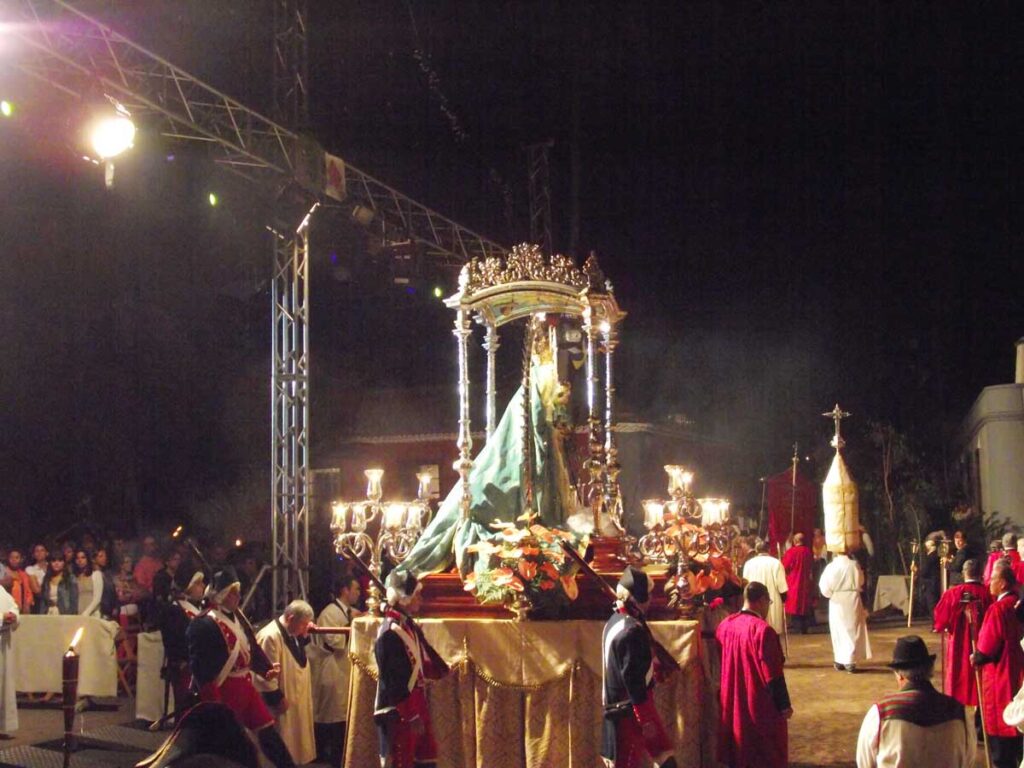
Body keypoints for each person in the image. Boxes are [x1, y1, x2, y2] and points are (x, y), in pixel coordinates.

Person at [186, 567, 295, 768]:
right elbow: (202, 668)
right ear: (222, 595)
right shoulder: (204, 624)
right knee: (238, 750)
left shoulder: (237, 618)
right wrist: (213, 704)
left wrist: (264, 669)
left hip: (246, 689)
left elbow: (247, 650)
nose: (238, 596)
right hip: (225, 693)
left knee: (269, 736)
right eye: (233, 592)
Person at [855, 634, 974, 767]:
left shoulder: (880, 713)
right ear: (930, 671)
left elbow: (864, 763)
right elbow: (968, 761)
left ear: (899, 675)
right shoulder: (958, 712)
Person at [600, 566, 677, 768]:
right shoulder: (632, 630)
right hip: (630, 715)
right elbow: (634, 682)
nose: (651, 599)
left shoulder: (615, 621)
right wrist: (647, 722)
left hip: (619, 711)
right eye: (649, 594)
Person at [375, 570, 450, 768]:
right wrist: (411, 714)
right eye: (416, 594)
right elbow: (393, 679)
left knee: (425, 757)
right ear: (404, 599)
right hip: (402, 709)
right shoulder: (390, 632)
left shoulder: (406, 625)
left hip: (416, 702)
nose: (421, 599)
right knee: (403, 761)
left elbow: (419, 660)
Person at [715, 581, 791, 768]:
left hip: (732, 697)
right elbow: (773, 674)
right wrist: (784, 705)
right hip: (756, 700)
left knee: (738, 746)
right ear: (762, 600)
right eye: (768, 603)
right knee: (763, 751)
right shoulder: (763, 630)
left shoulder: (725, 625)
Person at [971, 559, 1024, 768]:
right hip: (1018, 674)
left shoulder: (998, 609)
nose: (988, 583)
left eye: (992, 579)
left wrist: (975, 657)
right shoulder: (1017, 605)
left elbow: (985, 649)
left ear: (1002, 583)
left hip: (1001, 677)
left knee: (1002, 747)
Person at [256, 600, 317, 765]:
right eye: (303, 624)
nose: (306, 628)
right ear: (290, 618)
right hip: (280, 704)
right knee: (281, 750)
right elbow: (264, 675)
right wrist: (276, 698)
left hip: (296, 700)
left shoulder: (292, 632)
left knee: (296, 750)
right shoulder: (270, 636)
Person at [311, 573, 362, 766]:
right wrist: (352, 624)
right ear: (345, 590)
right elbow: (335, 642)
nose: (359, 593)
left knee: (343, 718)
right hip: (333, 670)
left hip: (346, 670)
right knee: (332, 719)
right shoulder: (329, 612)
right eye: (356, 588)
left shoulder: (352, 611)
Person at [932, 557, 991, 707]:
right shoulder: (988, 593)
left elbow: (940, 620)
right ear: (981, 573)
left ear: (964, 573)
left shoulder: (952, 594)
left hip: (958, 644)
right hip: (983, 644)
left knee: (958, 676)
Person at [157, 571, 205, 724]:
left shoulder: (194, 609)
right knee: (185, 713)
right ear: (188, 587)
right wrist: (184, 660)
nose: (203, 586)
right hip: (185, 669)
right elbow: (174, 641)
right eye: (198, 583)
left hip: (197, 669)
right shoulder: (174, 611)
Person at [819, 548, 871, 672]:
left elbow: (824, 587)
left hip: (837, 600)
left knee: (839, 630)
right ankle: (847, 659)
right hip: (853, 599)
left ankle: (843, 659)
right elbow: (861, 581)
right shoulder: (854, 565)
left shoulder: (831, 567)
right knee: (853, 629)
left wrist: (831, 594)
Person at [741, 540, 787, 636]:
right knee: (773, 632)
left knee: (755, 631)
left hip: (753, 600)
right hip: (772, 600)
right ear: (769, 550)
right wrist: (784, 599)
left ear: (756, 550)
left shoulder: (749, 564)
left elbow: (745, 584)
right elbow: (782, 586)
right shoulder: (776, 563)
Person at [782, 533, 815, 634]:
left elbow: (784, 567)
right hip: (805, 581)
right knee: (804, 604)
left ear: (795, 541)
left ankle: (797, 627)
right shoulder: (808, 552)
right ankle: (804, 627)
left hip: (794, 582)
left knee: (795, 605)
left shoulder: (791, 552)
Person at [0, 584, 18, 737]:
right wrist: (1, 617)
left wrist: (13, 615)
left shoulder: (0, 589)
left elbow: (13, 606)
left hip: (3, 644)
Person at [72, 549, 104, 617]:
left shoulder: (96, 574)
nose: (80, 560)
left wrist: (86, 613)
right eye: (77, 558)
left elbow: (97, 598)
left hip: (92, 613)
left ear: (87, 559)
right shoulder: (74, 577)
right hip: (78, 612)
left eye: (83, 557)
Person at [918, 537, 942, 618]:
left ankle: (936, 623)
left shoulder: (931, 557)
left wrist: (917, 572)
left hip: (931, 584)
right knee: (933, 604)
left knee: (932, 604)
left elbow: (925, 570)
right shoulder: (936, 556)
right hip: (934, 583)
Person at [5, 549, 34, 615]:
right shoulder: (4, 573)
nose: (14, 560)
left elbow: (28, 592)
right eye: (11, 557)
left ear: (21, 559)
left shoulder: (24, 575)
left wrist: (27, 604)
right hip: (7, 610)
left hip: (22, 610)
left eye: (17, 557)